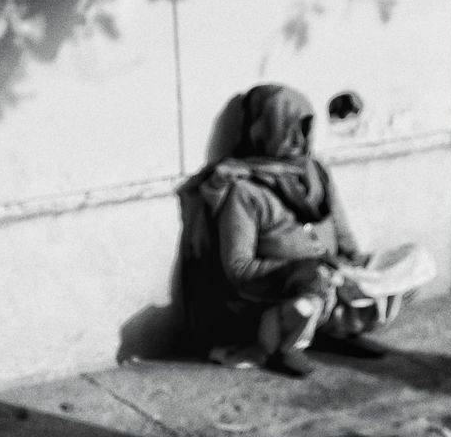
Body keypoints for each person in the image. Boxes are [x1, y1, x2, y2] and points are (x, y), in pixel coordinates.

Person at [176, 83, 434, 377]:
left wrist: (355, 264)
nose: (300, 140)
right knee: (305, 302)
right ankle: (286, 346)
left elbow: (342, 233)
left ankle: (337, 330)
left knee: (415, 262)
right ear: (265, 130)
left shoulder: (316, 172)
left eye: (306, 128)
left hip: (335, 275)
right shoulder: (243, 191)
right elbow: (238, 269)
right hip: (286, 288)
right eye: (290, 129)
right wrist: (301, 270)